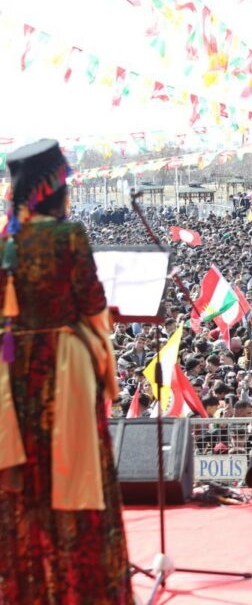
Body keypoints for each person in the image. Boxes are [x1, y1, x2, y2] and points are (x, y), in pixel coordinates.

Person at [0, 140, 132, 603]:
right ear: (54, 189)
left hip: (12, 374)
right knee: (75, 478)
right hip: (64, 372)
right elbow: (92, 306)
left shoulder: (5, 241)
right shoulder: (67, 236)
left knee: (25, 487)